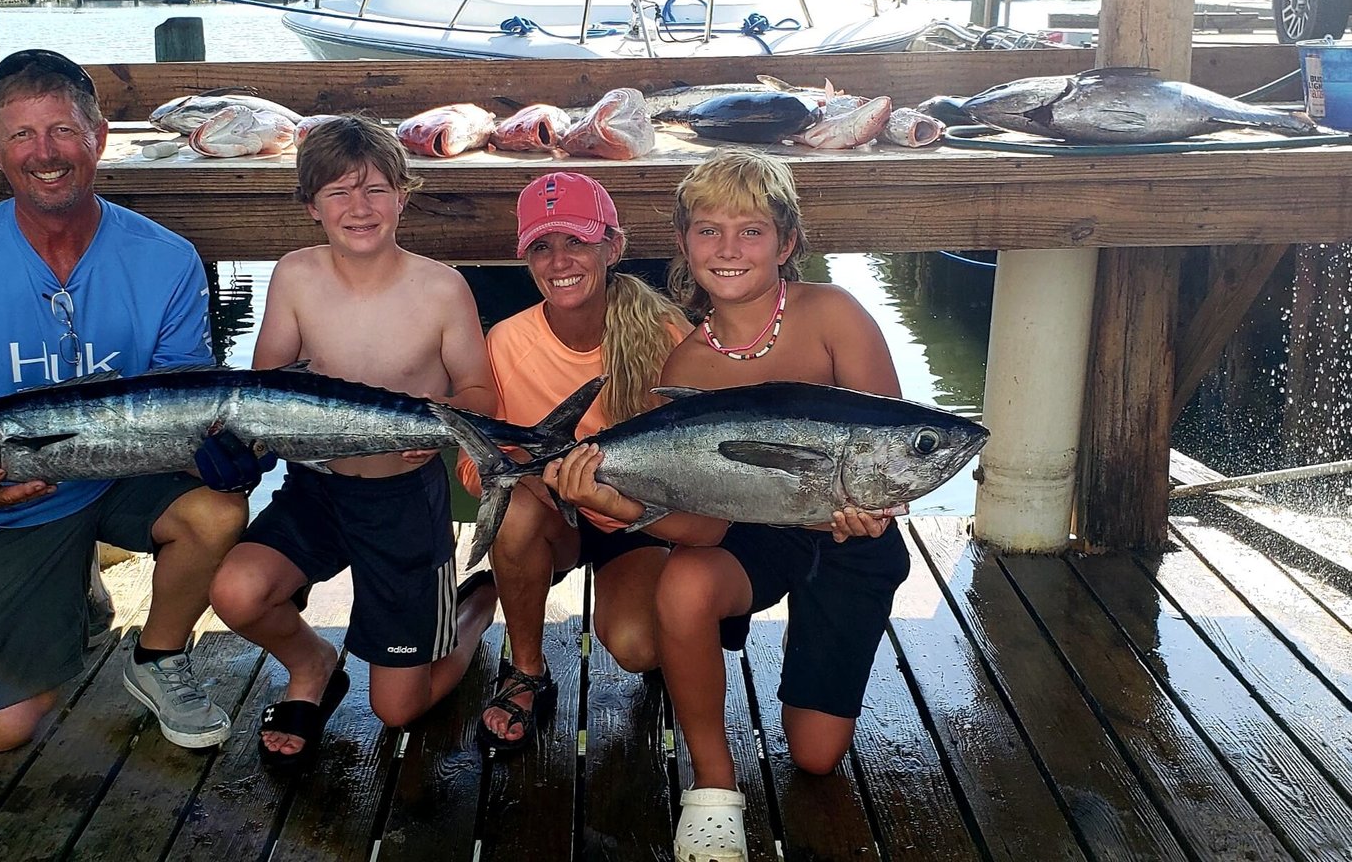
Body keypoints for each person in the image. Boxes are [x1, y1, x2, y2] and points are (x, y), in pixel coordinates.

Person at [545, 149, 911, 862]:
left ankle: (816, 640)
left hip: (850, 536)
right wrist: (609, 500)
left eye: (750, 231)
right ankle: (712, 790)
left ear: (787, 242)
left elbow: (889, 443)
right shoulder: (687, 368)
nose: (728, 248)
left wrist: (874, 511)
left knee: (813, 755)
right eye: (708, 230)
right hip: (756, 529)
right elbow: (702, 525)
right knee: (682, 583)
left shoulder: (834, 314)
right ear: (682, 245)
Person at [0, 49, 256, 753]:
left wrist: (214, 452)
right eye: (22, 134)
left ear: (98, 136)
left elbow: (179, 393)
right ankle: (78, 585)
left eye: (63, 130)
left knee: (219, 508)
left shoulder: (167, 257)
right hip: (22, 492)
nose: (45, 153)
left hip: (128, 471)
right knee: (3, 730)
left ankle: (157, 657)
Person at [208, 114, 502, 770]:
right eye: (338, 192)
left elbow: (480, 393)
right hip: (317, 488)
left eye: (374, 189)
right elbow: (267, 387)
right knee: (235, 590)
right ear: (311, 207)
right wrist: (238, 439)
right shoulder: (294, 275)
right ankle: (312, 665)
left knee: (397, 708)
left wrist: (438, 425)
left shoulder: (440, 286)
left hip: (406, 501)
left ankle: (475, 607)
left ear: (403, 194)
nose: (358, 207)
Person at [460, 172, 690, 752]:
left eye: (576, 241)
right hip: (554, 519)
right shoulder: (507, 343)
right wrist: (538, 484)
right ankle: (527, 669)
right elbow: (473, 465)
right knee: (510, 509)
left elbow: (696, 461)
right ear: (526, 260)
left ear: (613, 246)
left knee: (638, 647)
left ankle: (669, 618)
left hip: (638, 521)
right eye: (541, 246)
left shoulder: (667, 333)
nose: (559, 260)